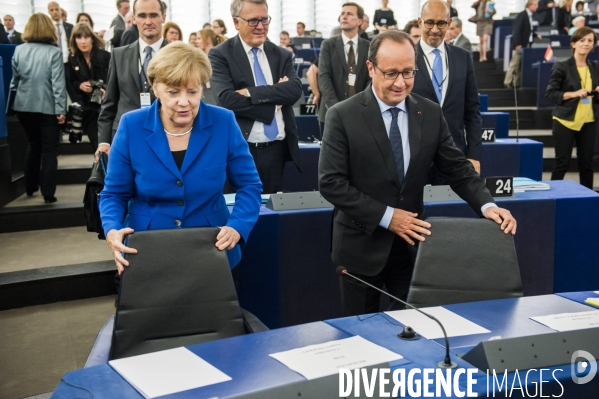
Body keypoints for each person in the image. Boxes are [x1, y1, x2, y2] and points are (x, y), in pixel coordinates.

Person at [318, 30, 517, 316]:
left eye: (408, 72)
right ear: (371, 68)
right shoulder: (341, 115)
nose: (401, 82)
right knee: (361, 338)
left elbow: (457, 168)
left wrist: (487, 205)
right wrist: (389, 217)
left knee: (414, 332)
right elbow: (331, 184)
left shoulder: (431, 113)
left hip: (412, 249)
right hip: (360, 249)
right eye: (391, 73)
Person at [99, 42, 262, 273]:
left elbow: (249, 185)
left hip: (212, 249)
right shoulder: (131, 125)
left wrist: (237, 226)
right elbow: (114, 193)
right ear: (155, 88)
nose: (184, 102)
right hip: (147, 249)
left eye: (192, 92)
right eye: (173, 92)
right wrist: (112, 229)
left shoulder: (223, 122)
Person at [209, 0, 302, 194]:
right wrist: (273, 102)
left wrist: (251, 92)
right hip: (239, 150)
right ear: (236, 22)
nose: (260, 27)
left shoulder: (281, 55)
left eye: (264, 20)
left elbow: (294, 90)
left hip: (276, 151)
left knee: (270, 216)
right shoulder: (220, 55)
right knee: (237, 215)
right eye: (253, 21)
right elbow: (226, 99)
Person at [414, 0, 482, 175]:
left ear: (449, 23)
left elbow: (472, 110)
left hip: (455, 156)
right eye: (429, 22)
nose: (435, 29)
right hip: (414, 158)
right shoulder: (406, 58)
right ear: (420, 22)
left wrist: (474, 154)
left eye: (441, 23)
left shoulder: (463, 58)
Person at [96, 0, 168, 160]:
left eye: (153, 15)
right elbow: (109, 104)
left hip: (166, 138)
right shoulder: (118, 55)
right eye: (142, 16)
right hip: (124, 138)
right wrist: (103, 141)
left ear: (163, 17)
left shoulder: (178, 55)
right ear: (134, 19)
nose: (148, 21)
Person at [10, 13, 67, 204]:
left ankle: (30, 186)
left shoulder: (19, 50)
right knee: (49, 150)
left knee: (33, 143)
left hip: (23, 106)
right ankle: (48, 193)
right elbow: (57, 84)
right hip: (47, 106)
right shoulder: (54, 52)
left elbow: (14, 81)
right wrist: (61, 109)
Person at [546, 27, 599, 189]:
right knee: (562, 163)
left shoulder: (595, 67)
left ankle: (588, 200)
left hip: (588, 121)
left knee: (587, 163)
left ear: (593, 45)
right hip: (564, 120)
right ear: (574, 44)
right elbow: (551, 94)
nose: (586, 44)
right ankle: (552, 197)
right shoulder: (562, 66)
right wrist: (574, 94)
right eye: (582, 40)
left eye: (590, 41)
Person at [318, 2, 371, 124]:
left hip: (362, 113)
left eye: (349, 14)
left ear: (359, 21)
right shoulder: (328, 45)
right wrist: (337, 109)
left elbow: (371, 78)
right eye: (342, 13)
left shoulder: (368, 46)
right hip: (331, 112)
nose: (344, 16)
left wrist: (361, 105)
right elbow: (324, 78)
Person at [67, 23, 110, 151]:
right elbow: (70, 83)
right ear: (74, 40)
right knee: (96, 146)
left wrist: (105, 90)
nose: (83, 41)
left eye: (86, 37)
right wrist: (80, 85)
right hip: (87, 109)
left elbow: (116, 80)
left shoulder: (105, 56)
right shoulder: (73, 59)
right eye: (79, 37)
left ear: (92, 38)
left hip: (106, 108)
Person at [504, 0, 541, 88]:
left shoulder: (530, 16)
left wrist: (535, 35)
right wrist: (517, 44)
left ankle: (516, 83)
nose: (537, 7)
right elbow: (517, 30)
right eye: (535, 5)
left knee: (521, 65)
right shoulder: (522, 15)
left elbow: (527, 30)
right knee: (515, 64)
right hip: (519, 45)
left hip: (526, 45)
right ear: (529, 5)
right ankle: (507, 82)